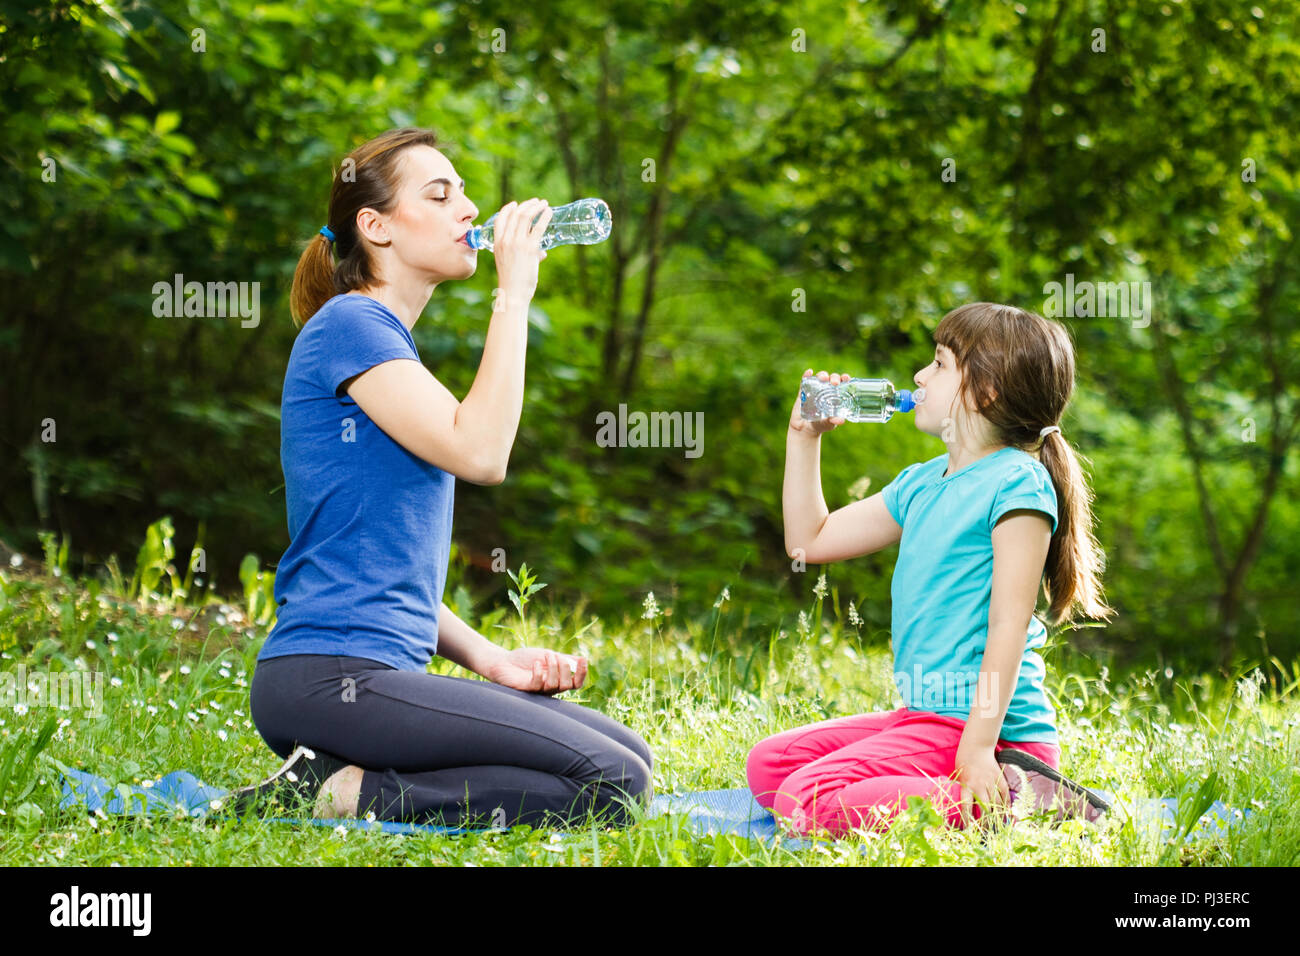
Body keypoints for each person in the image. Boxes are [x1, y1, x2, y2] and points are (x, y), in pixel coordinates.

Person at [233, 127, 653, 829]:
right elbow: (483, 454)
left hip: (374, 674)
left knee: (625, 752)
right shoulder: (351, 326)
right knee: (613, 783)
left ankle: (340, 776)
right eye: (440, 193)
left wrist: (492, 661)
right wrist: (513, 295)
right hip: (329, 674)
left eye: (463, 190)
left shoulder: (383, 343)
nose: (469, 209)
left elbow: (385, 563)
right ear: (375, 227)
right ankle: (338, 793)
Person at [747, 302, 1113, 837]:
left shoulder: (1018, 483)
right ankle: (971, 795)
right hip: (928, 716)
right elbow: (810, 540)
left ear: (985, 391)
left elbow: (1008, 627)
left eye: (939, 364)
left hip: (988, 732)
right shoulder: (922, 481)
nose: (919, 375)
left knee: (803, 801)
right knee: (770, 767)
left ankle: (1015, 799)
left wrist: (979, 748)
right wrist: (805, 438)